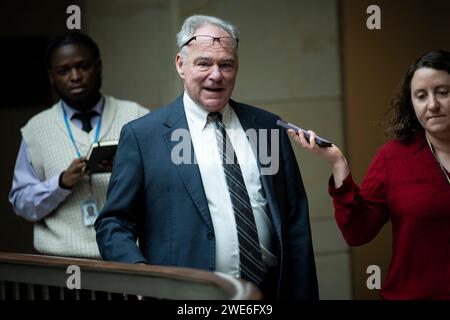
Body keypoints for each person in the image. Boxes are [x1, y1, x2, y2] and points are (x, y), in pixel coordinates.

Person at [95, 15, 318, 300]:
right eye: (204, 63)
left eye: (226, 64)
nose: (216, 75)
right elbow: (114, 222)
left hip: (268, 293)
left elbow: (294, 221)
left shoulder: (265, 127)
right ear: (180, 65)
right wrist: (141, 278)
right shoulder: (144, 137)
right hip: (184, 297)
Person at [289, 50, 450, 299]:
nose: (432, 104)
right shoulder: (393, 157)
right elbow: (357, 231)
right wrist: (338, 164)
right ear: (412, 104)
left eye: (443, 92)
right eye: (421, 96)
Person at [8, 32, 149, 259]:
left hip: (128, 261)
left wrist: (131, 172)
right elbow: (22, 204)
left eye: (83, 66)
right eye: (63, 71)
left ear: (99, 66)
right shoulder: (35, 130)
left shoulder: (138, 116)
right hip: (61, 266)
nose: (75, 77)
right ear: (51, 77)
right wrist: (61, 183)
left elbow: (164, 191)